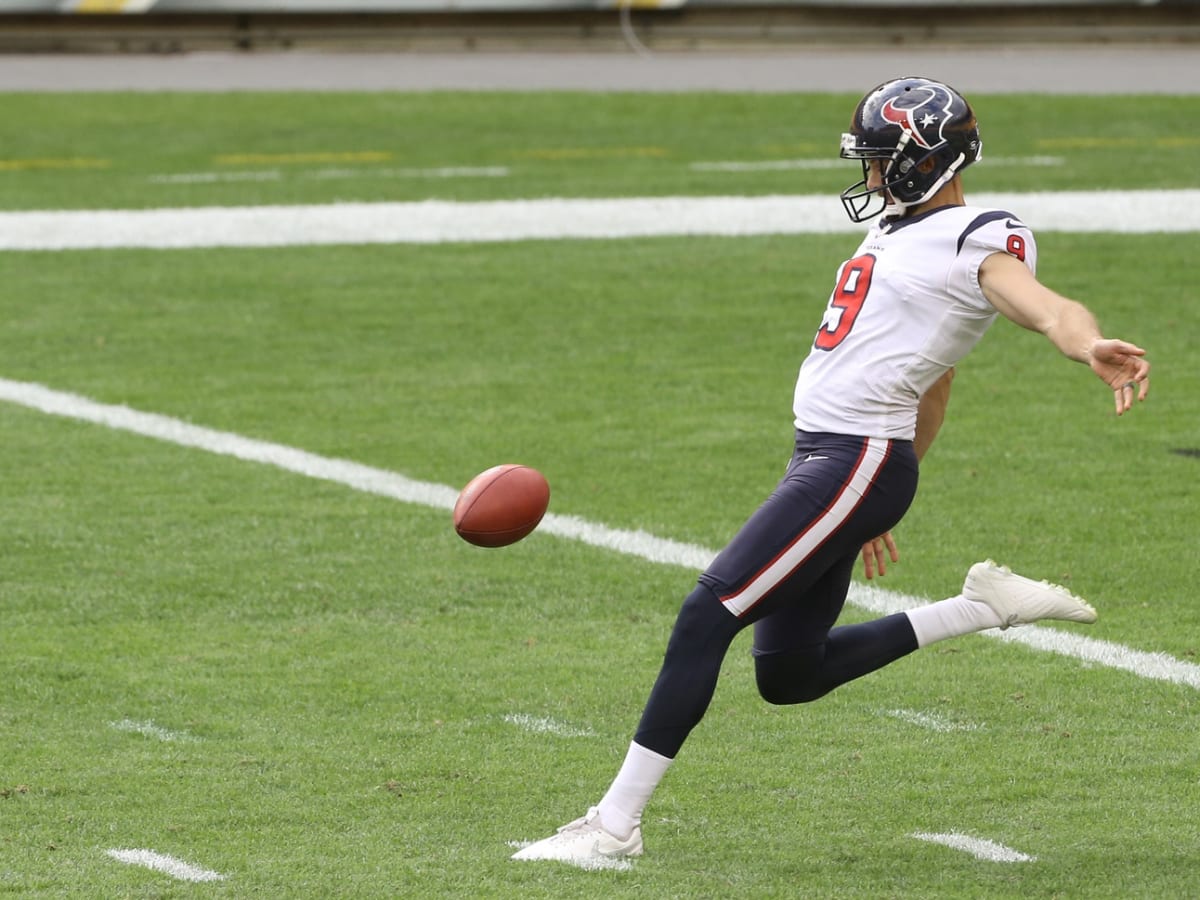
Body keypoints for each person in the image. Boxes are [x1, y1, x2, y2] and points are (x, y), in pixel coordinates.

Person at [512, 75, 1151, 865]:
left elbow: (1043, 303)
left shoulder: (976, 235)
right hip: (840, 463)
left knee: (704, 616)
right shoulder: (896, 230)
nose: (872, 174)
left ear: (929, 159)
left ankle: (613, 827)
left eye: (883, 160)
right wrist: (881, 501)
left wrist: (1083, 343)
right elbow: (934, 380)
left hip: (855, 458)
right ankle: (982, 607)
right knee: (789, 673)